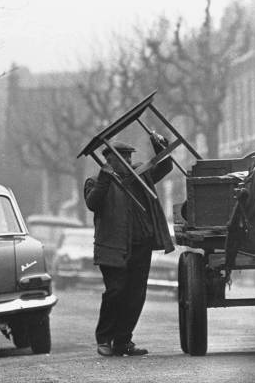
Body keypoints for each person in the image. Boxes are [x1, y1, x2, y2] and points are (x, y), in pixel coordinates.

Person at [84, 135, 174, 356]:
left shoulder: (139, 177)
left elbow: (165, 167)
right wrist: (105, 180)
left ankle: (123, 341)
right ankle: (104, 339)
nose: (127, 162)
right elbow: (93, 204)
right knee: (116, 291)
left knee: (136, 295)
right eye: (121, 158)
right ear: (109, 161)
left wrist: (159, 145)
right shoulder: (96, 181)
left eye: (129, 157)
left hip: (140, 246)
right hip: (112, 248)